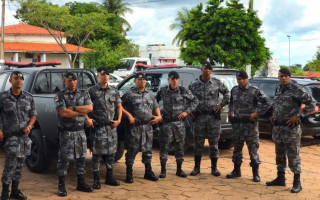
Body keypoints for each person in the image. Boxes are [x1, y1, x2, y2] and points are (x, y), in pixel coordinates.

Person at [266, 68, 315, 193]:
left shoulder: (296, 89)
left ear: (289, 76)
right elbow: (277, 104)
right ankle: (280, 178)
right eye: (281, 76)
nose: (283, 78)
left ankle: (297, 182)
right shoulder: (278, 88)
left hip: (291, 129)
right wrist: (274, 114)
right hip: (278, 128)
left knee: (293, 156)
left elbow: (311, 104)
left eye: (285, 76)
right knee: (280, 155)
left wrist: (299, 115)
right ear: (278, 77)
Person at [227, 70, 271, 182]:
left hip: (250, 125)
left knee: (253, 149)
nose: (241, 81)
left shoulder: (254, 90)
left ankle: (255, 174)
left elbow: (268, 102)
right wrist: (230, 111)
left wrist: (257, 113)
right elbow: (231, 101)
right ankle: (236, 171)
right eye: (239, 79)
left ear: (247, 79)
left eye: (243, 79)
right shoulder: (234, 90)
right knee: (237, 148)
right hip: (238, 125)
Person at [55, 72, 93, 197]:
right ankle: (61, 185)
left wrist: (74, 108)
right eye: (69, 80)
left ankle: (81, 183)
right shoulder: (60, 95)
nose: (72, 82)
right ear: (64, 82)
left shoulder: (84, 93)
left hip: (80, 132)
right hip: (66, 132)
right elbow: (63, 113)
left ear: (77, 81)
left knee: (81, 158)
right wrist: (81, 111)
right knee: (64, 160)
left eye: (74, 80)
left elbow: (90, 108)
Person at [0, 71, 37, 200]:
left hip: (24, 138)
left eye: (21, 79)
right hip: (11, 137)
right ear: (10, 81)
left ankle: (15, 190)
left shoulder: (28, 97)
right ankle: (5, 192)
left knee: (20, 165)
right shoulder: (3, 97)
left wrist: (30, 126)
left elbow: (33, 114)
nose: (19, 80)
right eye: (16, 78)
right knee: (10, 165)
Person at [189, 61, 229, 176]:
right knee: (198, 144)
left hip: (213, 117)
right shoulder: (194, 84)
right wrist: (190, 110)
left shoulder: (217, 83)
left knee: (214, 143)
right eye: (204, 68)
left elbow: (227, 93)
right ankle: (196, 168)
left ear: (211, 71)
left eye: (209, 68)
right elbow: (187, 98)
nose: (206, 70)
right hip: (199, 117)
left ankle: (214, 168)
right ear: (201, 69)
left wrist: (221, 105)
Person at [156, 71, 199, 178]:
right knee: (164, 147)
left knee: (180, 146)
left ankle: (179, 169)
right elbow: (154, 102)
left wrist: (187, 112)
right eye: (172, 78)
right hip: (166, 123)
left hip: (179, 124)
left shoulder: (183, 90)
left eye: (176, 79)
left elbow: (195, 101)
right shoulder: (163, 91)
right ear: (168, 79)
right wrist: (158, 114)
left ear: (178, 80)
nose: (174, 81)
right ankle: (163, 170)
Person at [122, 72, 162, 183]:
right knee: (132, 150)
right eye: (139, 80)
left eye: (144, 80)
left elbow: (156, 106)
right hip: (135, 127)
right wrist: (129, 115)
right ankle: (129, 174)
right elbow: (119, 106)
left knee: (148, 150)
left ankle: (148, 172)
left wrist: (159, 116)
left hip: (147, 127)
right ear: (135, 81)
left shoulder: (150, 94)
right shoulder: (129, 94)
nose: (142, 81)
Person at [87, 67, 122, 188]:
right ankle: (96, 180)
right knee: (96, 154)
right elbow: (85, 107)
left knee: (111, 154)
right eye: (102, 75)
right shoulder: (91, 91)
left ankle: (109, 177)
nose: (105, 76)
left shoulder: (114, 90)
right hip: (98, 128)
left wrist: (119, 120)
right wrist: (88, 119)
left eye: (107, 74)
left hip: (111, 128)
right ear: (97, 76)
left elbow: (119, 106)